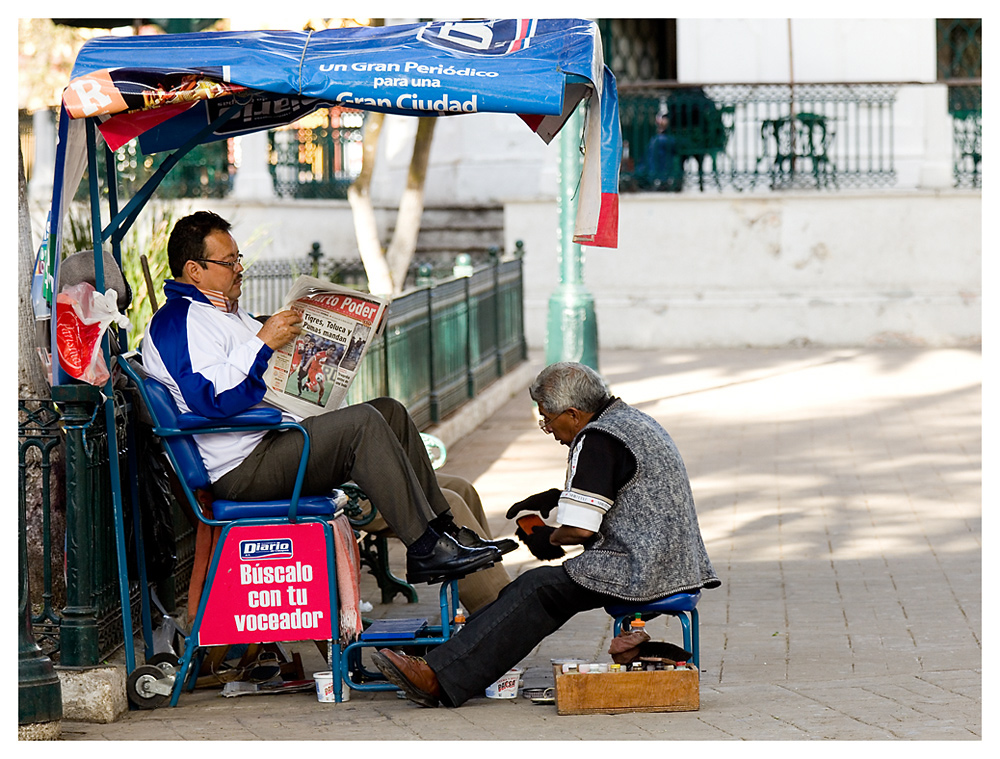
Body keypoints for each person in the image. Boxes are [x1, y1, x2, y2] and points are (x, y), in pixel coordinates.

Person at [141, 210, 514, 587]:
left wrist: (353, 329)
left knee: (389, 411)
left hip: (271, 445)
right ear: (194, 269)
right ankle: (424, 549)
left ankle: (441, 531)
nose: (240, 268)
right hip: (241, 469)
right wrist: (263, 342)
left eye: (239, 259)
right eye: (229, 261)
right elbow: (211, 398)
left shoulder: (226, 314)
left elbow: (277, 360)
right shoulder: (179, 321)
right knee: (363, 425)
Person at [371, 361, 721, 708]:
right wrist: (558, 497)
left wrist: (546, 537)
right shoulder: (628, 420)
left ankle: (438, 678)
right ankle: (445, 660)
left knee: (536, 589)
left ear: (572, 413)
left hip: (642, 568)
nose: (548, 429)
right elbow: (621, 492)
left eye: (547, 419)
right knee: (527, 590)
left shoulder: (598, 438)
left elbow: (581, 529)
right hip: (676, 561)